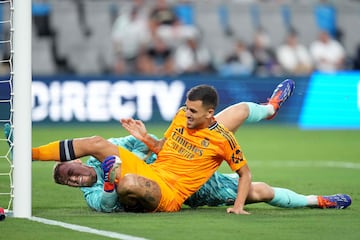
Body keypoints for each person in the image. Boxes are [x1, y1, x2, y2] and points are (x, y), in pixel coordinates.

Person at [30, 80, 351, 213]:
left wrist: (143, 139)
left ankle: (270, 109)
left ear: (82, 161)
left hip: (197, 172)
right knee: (262, 192)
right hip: (170, 183)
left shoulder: (214, 135)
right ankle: (316, 200)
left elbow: (244, 173)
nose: (75, 177)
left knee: (241, 113)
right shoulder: (93, 192)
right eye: (68, 180)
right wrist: (143, 148)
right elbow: (107, 202)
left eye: (72, 170)